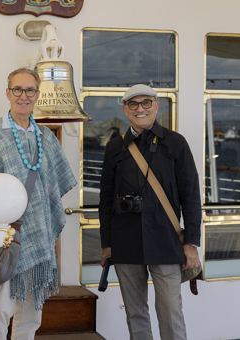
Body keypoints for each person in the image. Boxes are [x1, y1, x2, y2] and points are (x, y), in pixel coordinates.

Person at [0, 67, 76, 340]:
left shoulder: (47, 137)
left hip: (38, 235)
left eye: (29, 90)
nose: (23, 96)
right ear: (8, 92)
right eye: (18, 89)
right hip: (3, 236)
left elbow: (54, 184)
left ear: (37, 94)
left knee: (30, 314)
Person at [99, 84, 201, 340]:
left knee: (170, 312)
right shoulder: (115, 147)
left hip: (166, 241)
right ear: (125, 109)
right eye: (133, 104)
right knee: (135, 313)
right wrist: (107, 244)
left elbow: (191, 197)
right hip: (125, 241)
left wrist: (191, 243)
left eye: (146, 103)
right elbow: (106, 200)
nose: (140, 109)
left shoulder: (175, 143)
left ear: (156, 106)